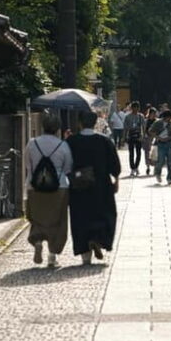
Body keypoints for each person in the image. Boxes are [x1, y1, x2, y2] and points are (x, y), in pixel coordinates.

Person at [66, 111, 121, 265]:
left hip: (78, 184)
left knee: (80, 216)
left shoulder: (72, 141)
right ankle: (98, 238)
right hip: (101, 184)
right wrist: (116, 179)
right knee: (105, 213)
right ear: (95, 123)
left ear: (79, 123)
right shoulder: (104, 141)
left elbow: (66, 163)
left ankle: (85, 254)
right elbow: (114, 165)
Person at [24, 114, 73, 268]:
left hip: (35, 186)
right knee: (58, 221)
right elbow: (68, 168)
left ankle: (37, 241)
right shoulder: (63, 145)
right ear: (58, 128)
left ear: (43, 126)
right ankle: (52, 256)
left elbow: (28, 165)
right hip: (58, 188)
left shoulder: (32, 144)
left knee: (37, 218)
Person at [149, 110, 171, 185]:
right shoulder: (158, 123)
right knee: (160, 161)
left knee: (169, 162)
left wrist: (170, 139)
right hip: (160, 143)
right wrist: (158, 137)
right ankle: (158, 173)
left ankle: (169, 178)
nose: (168, 119)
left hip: (169, 144)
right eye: (167, 117)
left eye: (170, 117)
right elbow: (151, 131)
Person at [123, 102, 147, 176]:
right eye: (134, 107)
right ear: (132, 108)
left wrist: (143, 136)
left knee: (139, 153)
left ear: (139, 108)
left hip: (138, 135)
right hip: (130, 135)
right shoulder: (127, 117)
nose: (136, 109)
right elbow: (125, 128)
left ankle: (136, 166)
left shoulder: (141, 116)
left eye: (137, 107)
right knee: (131, 153)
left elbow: (143, 127)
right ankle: (132, 168)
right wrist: (124, 137)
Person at [142, 108, 158, 176]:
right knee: (147, 153)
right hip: (147, 138)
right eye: (152, 113)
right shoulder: (146, 121)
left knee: (154, 154)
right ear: (150, 113)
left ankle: (155, 167)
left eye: (154, 113)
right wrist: (143, 137)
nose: (153, 115)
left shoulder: (157, 121)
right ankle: (148, 166)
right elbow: (143, 129)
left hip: (155, 138)